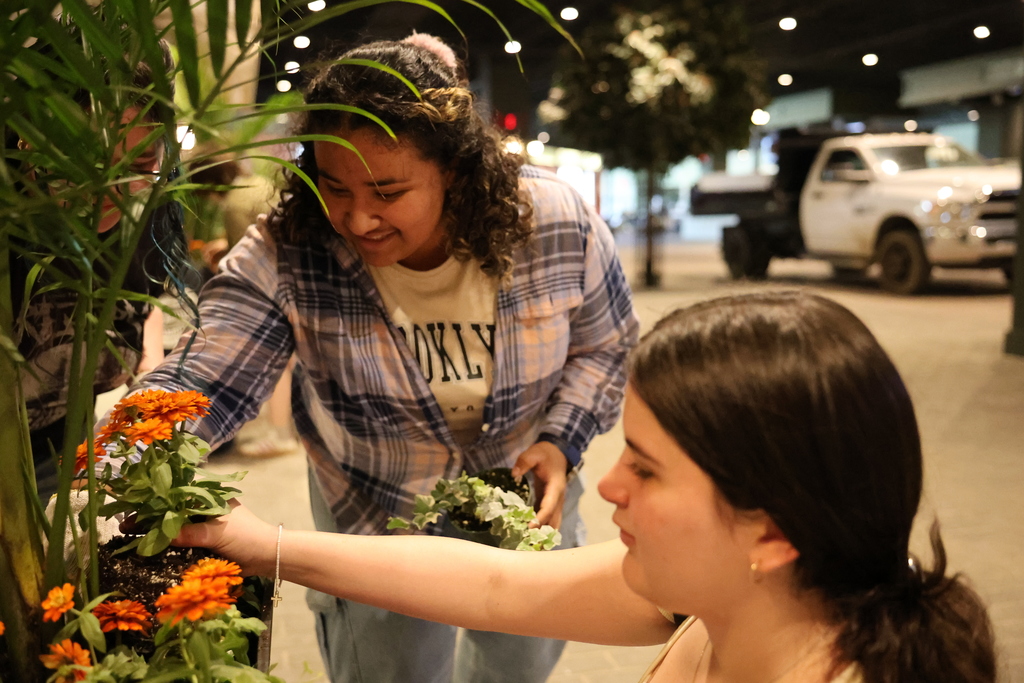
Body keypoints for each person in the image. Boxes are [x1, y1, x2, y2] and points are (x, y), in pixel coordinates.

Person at [139, 33, 638, 683]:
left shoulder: (550, 220)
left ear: (454, 169)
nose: (357, 216)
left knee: (514, 666)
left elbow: (606, 343)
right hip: (373, 509)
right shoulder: (292, 247)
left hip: (527, 499)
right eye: (333, 185)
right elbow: (208, 370)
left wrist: (561, 440)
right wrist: (123, 454)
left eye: (388, 190)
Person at [176, 291, 997, 683]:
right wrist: (264, 544)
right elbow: (498, 584)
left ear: (772, 530)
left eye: (645, 465)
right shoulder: (736, 599)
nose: (605, 483)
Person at [9, 38, 185, 503]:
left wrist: (148, 367)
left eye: (141, 162)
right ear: (30, 138)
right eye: (83, 164)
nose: (113, 187)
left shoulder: (146, 202)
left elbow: (141, 303)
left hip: (64, 440)